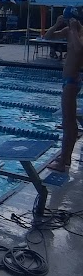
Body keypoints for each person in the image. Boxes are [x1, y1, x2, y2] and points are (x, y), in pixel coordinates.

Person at [44, 10, 83, 172]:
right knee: (68, 122)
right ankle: (65, 157)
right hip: (68, 81)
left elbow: (79, 50)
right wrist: (56, 25)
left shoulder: (78, 33)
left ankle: (64, 160)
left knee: (68, 124)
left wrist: (73, 29)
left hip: (72, 82)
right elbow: (48, 37)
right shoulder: (69, 31)